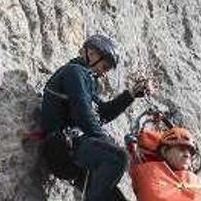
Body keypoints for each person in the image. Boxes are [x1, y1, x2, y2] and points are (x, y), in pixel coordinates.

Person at [40, 34, 152, 201]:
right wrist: (104, 141)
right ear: (91, 53)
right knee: (118, 158)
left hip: (75, 148)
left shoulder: (88, 82)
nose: (104, 73)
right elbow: (82, 114)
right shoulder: (73, 72)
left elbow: (102, 114)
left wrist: (131, 94)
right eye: (104, 66)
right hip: (62, 147)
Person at [128, 127, 201, 201]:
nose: (187, 154)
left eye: (190, 152)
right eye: (181, 148)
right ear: (164, 151)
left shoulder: (195, 181)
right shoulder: (151, 173)